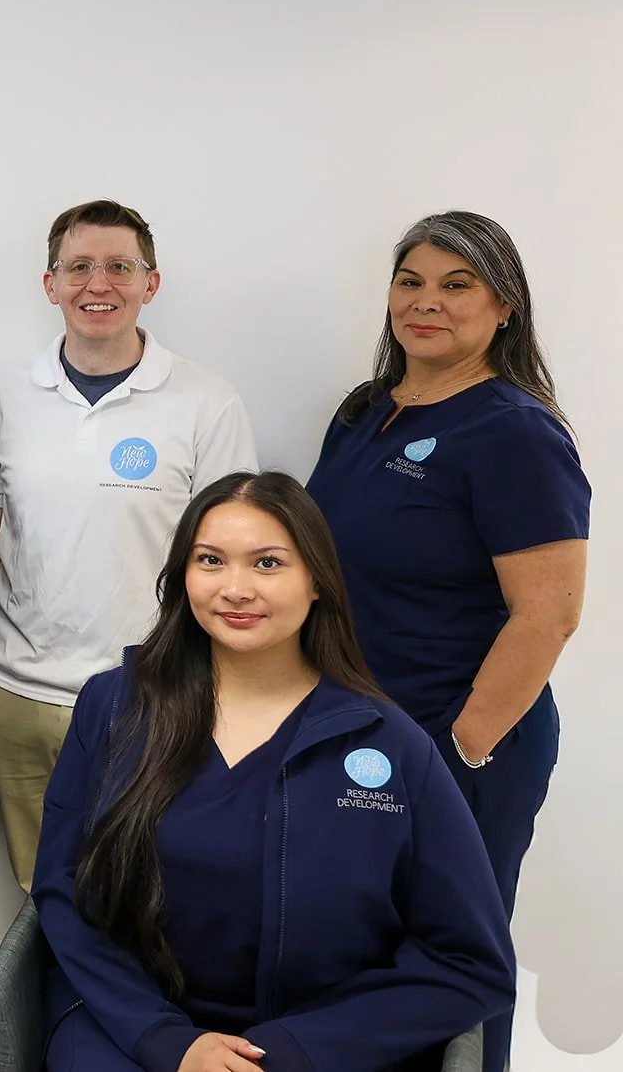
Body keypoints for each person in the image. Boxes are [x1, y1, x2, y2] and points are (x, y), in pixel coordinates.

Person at [35, 471, 515, 1072]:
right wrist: (165, 1039)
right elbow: (63, 891)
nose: (235, 589)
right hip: (130, 1027)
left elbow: (471, 961)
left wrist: (294, 1051)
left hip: (319, 1046)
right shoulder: (114, 707)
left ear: (317, 581)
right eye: (210, 560)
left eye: (267, 564)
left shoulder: (392, 747)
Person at [306, 210, 589, 1072]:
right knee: (357, 948)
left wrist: (460, 748)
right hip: (358, 735)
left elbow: (547, 616)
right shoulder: (364, 412)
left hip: (464, 743)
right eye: (411, 282)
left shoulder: (513, 430)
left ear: (504, 306)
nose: (426, 303)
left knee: (454, 956)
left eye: (456, 285)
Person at [0, 199, 257, 891]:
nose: (100, 285)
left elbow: (229, 560)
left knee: (149, 900)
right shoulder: (6, 394)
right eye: (80, 267)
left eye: (120, 267)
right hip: (15, 697)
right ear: (50, 283)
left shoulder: (207, 402)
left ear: (151, 284)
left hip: (151, 698)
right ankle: (52, 1006)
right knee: (45, 897)